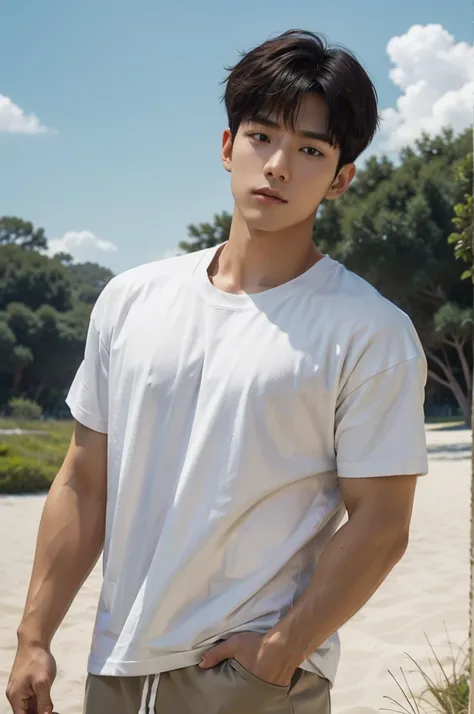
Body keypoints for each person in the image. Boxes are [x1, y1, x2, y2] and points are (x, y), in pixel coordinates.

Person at [6, 29, 428, 714]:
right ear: (227, 146)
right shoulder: (131, 298)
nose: (279, 166)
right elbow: (84, 481)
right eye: (262, 137)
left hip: (250, 675)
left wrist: (283, 649)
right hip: (114, 666)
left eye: (312, 150)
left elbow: (382, 522)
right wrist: (34, 636)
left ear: (342, 178)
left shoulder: (369, 330)